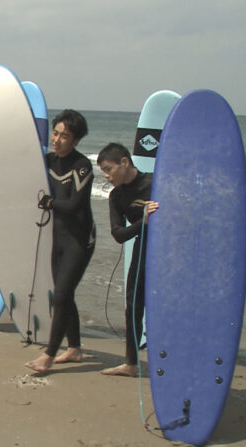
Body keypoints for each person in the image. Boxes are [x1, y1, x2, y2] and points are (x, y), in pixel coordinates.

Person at [26, 109, 96, 373]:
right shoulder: (47, 161)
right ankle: (75, 349)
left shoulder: (82, 166)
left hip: (80, 239)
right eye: (55, 133)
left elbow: (76, 205)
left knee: (61, 295)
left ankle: (50, 355)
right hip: (58, 237)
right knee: (65, 294)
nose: (57, 139)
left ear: (75, 140)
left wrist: (51, 203)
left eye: (64, 136)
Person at [97, 143, 159, 377]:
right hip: (142, 252)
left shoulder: (156, 181)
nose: (106, 175)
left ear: (124, 162)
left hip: (168, 255)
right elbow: (118, 235)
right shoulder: (117, 196)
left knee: (165, 308)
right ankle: (131, 363)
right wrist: (140, 223)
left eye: (108, 169)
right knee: (133, 307)